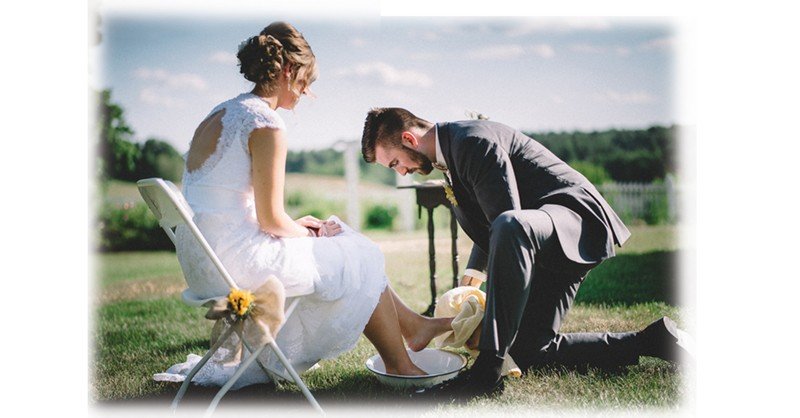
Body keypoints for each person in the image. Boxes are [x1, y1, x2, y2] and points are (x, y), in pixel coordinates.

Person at [154, 23, 452, 388]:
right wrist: (302, 231)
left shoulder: (220, 113)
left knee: (346, 244)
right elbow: (271, 220)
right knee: (360, 252)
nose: (307, 92)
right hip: (238, 262)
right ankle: (402, 365)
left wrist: (297, 227)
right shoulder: (265, 122)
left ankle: (414, 327)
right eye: (306, 81)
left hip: (206, 261)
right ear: (288, 71)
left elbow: (232, 207)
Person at [360, 108, 694, 401]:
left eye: (395, 162)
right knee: (530, 353)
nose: (400, 171)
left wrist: (491, 322)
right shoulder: (450, 153)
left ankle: (486, 373)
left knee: (511, 227)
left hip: (572, 220)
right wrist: (472, 278)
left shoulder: (472, 142)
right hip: (543, 238)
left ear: (409, 139)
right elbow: (496, 222)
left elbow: (509, 225)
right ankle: (651, 341)